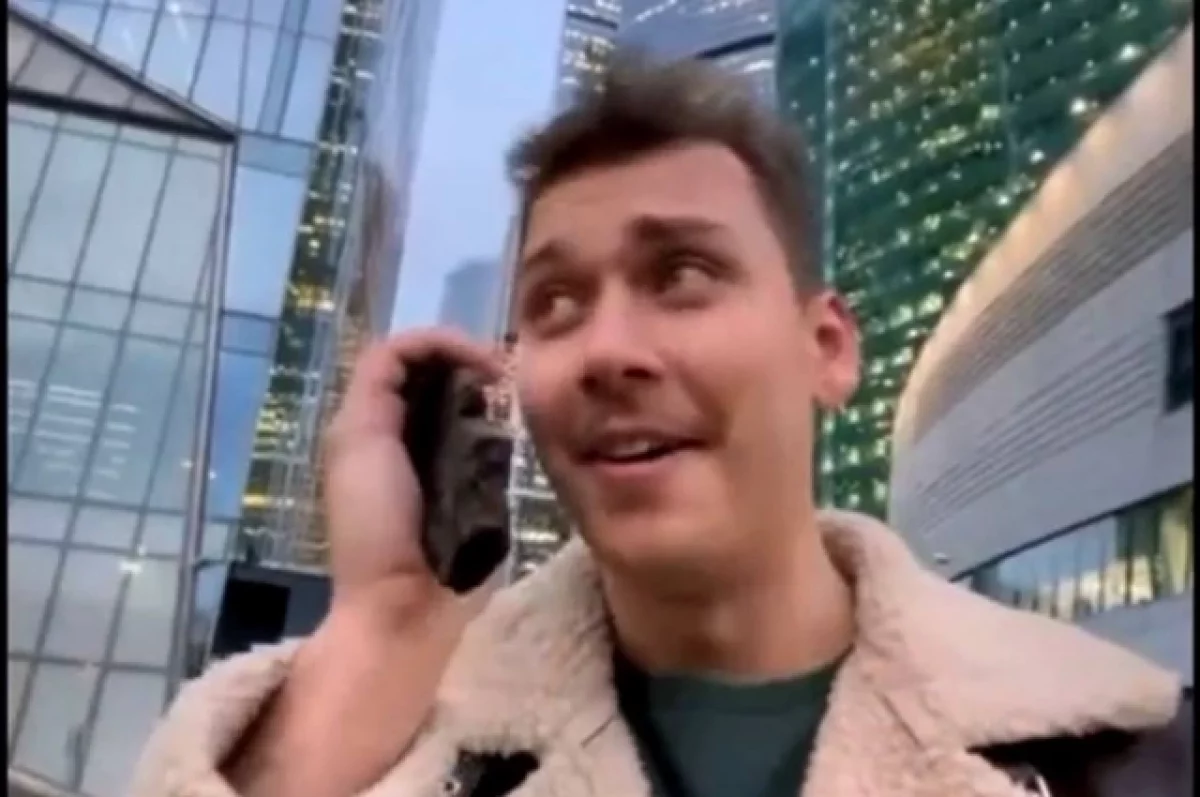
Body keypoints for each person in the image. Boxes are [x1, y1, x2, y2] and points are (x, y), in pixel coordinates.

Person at [132, 56, 1190, 797]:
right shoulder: (406, 743)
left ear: (827, 347)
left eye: (681, 274)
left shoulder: (1131, 756)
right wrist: (387, 622)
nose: (606, 349)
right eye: (555, 302)